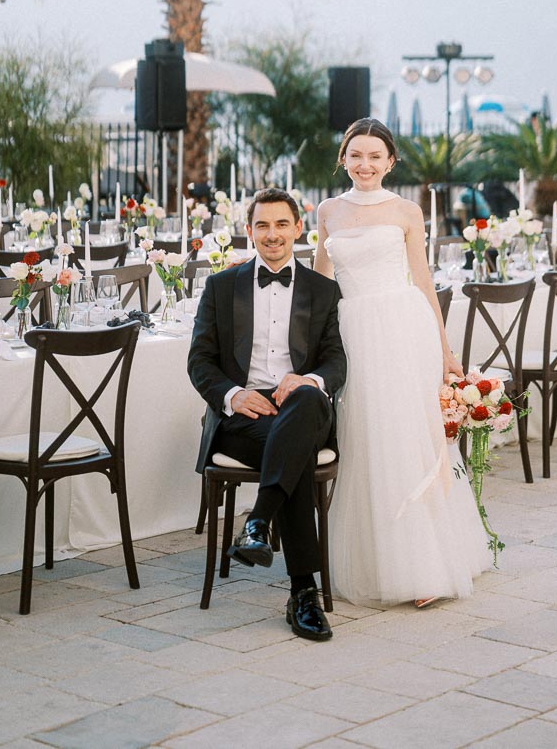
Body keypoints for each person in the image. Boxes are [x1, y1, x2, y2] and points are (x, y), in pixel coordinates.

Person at [314, 118, 490, 607]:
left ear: (390, 162)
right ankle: (375, 559)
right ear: (344, 159)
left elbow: (424, 282)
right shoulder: (328, 210)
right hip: (351, 331)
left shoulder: (407, 211)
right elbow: (320, 284)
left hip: (401, 327)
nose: (365, 165)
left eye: (375, 156)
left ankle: (426, 565)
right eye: (356, 155)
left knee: (408, 436)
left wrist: (446, 350)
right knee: (365, 437)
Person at [188, 187, 346, 641]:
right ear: (248, 230)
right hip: (242, 420)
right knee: (291, 450)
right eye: (262, 225)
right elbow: (199, 362)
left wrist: (310, 380)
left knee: (305, 405)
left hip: (301, 405)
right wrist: (233, 394)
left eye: (282, 224)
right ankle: (303, 594)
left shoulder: (323, 290)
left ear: (299, 228)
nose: (272, 234)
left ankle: (258, 521)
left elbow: (336, 362)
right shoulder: (221, 286)